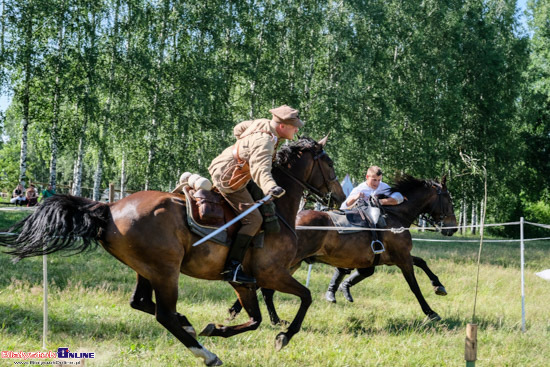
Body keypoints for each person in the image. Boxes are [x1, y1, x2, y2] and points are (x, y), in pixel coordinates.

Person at [209, 105, 303, 283]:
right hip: (229, 177)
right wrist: (271, 188)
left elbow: (239, 128)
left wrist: (243, 145)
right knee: (254, 220)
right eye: (294, 126)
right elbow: (260, 170)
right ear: (282, 126)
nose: (297, 129)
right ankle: (232, 267)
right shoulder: (265, 141)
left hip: (231, 167)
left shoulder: (263, 124)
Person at [326, 166, 404, 303]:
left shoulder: (383, 187)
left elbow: (399, 197)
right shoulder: (359, 189)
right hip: (360, 227)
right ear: (367, 177)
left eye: (379, 180)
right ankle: (331, 290)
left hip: (376, 227)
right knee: (346, 264)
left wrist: (380, 201)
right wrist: (354, 198)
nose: (377, 183)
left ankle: (346, 284)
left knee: (368, 270)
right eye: (374, 180)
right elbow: (344, 207)